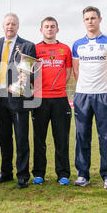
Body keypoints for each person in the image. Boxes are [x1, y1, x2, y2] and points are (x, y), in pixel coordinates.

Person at [72, 6, 107, 189]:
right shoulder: (77, 44)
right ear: (84, 21)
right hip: (82, 96)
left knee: (106, 137)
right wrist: (86, 87)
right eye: (87, 18)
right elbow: (76, 71)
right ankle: (82, 174)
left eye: (93, 18)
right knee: (81, 136)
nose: (90, 21)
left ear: (100, 19)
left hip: (103, 96)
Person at [0, 13, 36, 189]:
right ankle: (6, 172)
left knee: (21, 138)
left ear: (18, 26)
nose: (10, 27)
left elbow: (31, 71)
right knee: (4, 137)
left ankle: (23, 175)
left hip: (18, 98)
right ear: (3, 26)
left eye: (14, 24)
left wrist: (27, 77)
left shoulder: (27, 45)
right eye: (8, 24)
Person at [32, 17, 72, 186]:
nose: (49, 29)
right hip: (40, 100)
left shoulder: (65, 49)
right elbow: (30, 73)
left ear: (57, 29)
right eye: (46, 27)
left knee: (61, 139)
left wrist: (57, 88)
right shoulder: (34, 49)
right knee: (39, 139)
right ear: (41, 30)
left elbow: (68, 73)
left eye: (52, 26)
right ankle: (39, 173)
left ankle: (63, 173)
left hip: (60, 99)